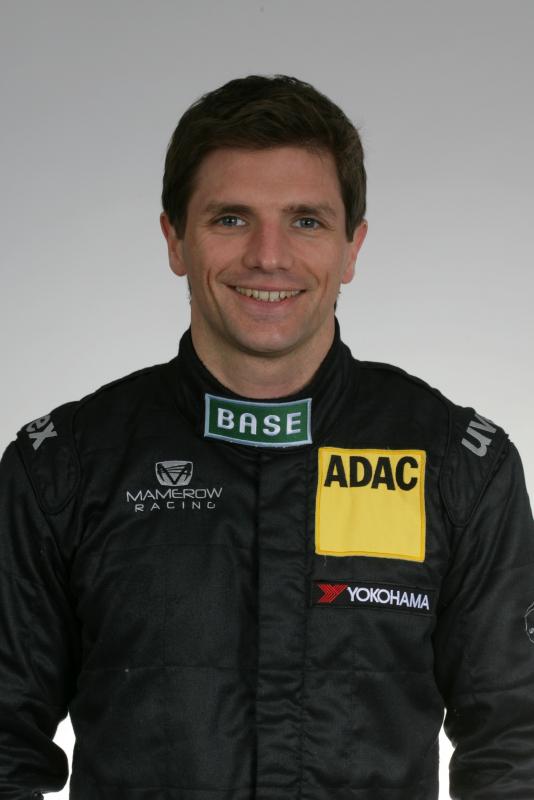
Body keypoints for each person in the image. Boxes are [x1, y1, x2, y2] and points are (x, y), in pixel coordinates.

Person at [0, 75, 532, 800]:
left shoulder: (458, 467)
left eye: (307, 221)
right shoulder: (63, 468)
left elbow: (516, 748)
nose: (269, 256)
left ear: (352, 248)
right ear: (175, 239)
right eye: (231, 219)